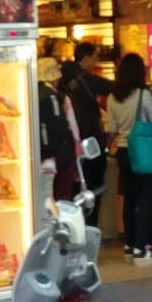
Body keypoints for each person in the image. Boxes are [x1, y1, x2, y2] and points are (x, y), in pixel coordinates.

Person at [106, 52, 152, 266]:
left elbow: (111, 128)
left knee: (128, 198)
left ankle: (129, 245)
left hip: (122, 151)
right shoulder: (143, 95)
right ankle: (142, 247)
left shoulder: (112, 98)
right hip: (142, 150)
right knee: (145, 197)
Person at [58, 41, 111, 205]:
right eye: (95, 57)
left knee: (73, 189)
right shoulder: (86, 80)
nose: (96, 62)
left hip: (69, 142)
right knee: (92, 186)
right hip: (89, 140)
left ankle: (75, 217)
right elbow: (113, 87)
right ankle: (90, 219)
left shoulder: (62, 79)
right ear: (86, 58)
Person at [37, 56, 80, 202]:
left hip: (39, 159)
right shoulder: (61, 98)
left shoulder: (27, 97)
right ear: (55, 78)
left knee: (43, 199)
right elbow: (74, 131)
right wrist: (76, 156)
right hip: (60, 158)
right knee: (62, 199)